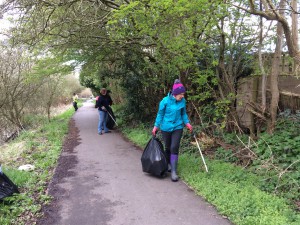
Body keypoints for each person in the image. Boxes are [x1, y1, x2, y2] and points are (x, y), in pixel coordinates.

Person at [152, 79, 193, 182]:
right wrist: (156, 126)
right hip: (165, 127)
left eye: (183, 94)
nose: (183, 96)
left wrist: (187, 123)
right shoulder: (165, 101)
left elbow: (183, 114)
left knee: (174, 147)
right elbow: (160, 114)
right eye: (181, 94)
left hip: (178, 127)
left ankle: (174, 171)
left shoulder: (183, 101)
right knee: (168, 147)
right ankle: (168, 165)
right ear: (175, 93)